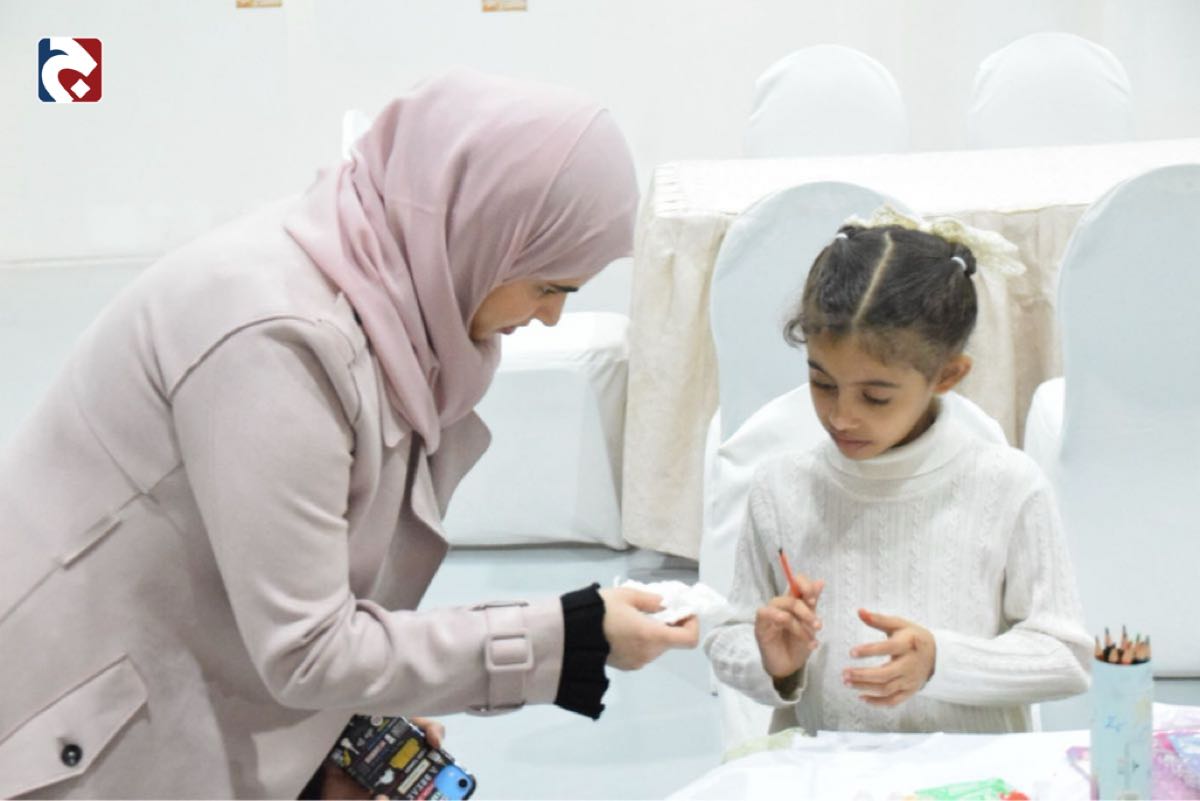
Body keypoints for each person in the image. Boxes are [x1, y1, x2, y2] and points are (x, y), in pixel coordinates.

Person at [0, 69, 697, 799]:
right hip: (67, 734)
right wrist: (571, 635)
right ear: (483, 233)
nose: (551, 316)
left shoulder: (392, 311)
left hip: (173, 699)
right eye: (547, 285)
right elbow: (307, 648)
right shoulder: (274, 339)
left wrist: (336, 726)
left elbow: (291, 590)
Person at [704, 212, 1090, 737]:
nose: (842, 416)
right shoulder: (781, 487)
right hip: (825, 771)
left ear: (948, 375)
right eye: (822, 384)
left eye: (876, 396)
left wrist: (940, 663)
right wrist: (774, 662)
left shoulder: (1008, 485)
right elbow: (728, 636)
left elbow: (1066, 656)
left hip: (971, 774)